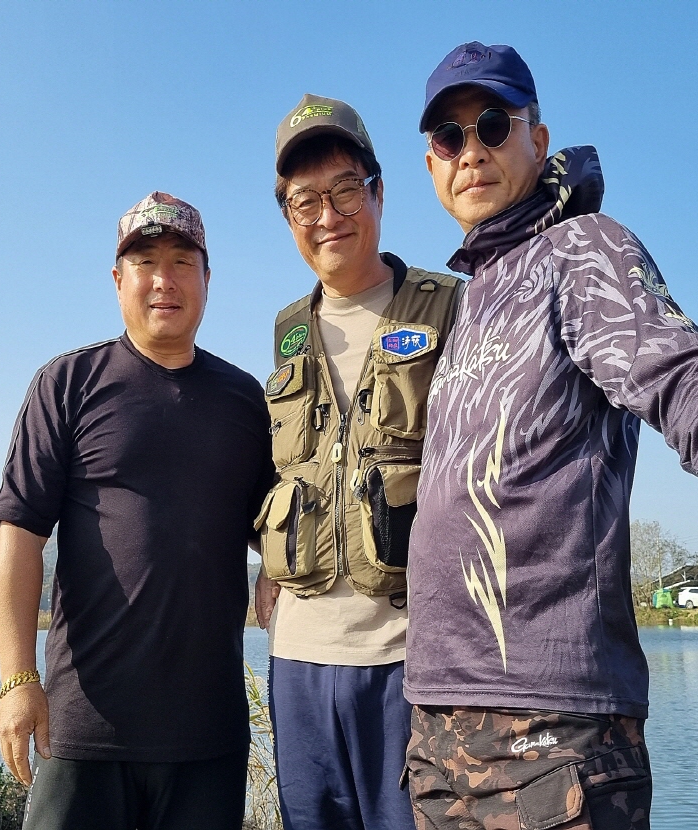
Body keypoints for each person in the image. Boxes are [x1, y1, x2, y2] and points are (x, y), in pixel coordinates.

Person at [402, 43, 698, 830]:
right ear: (432, 162)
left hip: (551, 727)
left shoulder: (581, 249)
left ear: (538, 140)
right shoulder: (469, 302)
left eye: (494, 125)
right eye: (449, 135)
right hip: (440, 723)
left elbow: (665, 357)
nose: (471, 151)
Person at [0, 192, 274, 830]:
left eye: (182, 262)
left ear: (207, 279)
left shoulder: (244, 399)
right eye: (145, 262)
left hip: (208, 734)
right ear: (119, 280)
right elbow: (20, 535)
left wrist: (277, 567)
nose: (164, 280)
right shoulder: (67, 384)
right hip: (84, 727)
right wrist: (17, 679)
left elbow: (272, 522)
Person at [253, 94, 462, 830]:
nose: (328, 215)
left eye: (345, 189)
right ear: (288, 217)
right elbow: (286, 470)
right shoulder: (286, 331)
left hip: (414, 659)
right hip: (298, 661)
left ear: (378, 192)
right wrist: (264, 560)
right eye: (304, 200)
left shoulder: (452, 308)